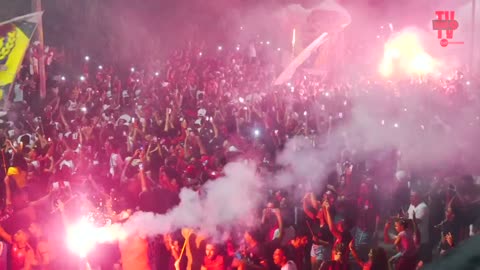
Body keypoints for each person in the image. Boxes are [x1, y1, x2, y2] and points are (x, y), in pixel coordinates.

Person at [407, 191, 430, 263]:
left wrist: (402, 221)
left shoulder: (423, 207)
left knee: (420, 261)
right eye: (410, 196)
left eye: (412, 196)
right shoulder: (411, 205)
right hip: (412, 238)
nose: (410, 198)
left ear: (418, 197)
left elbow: (415, 221)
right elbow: (407, 216)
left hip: (421, 239)